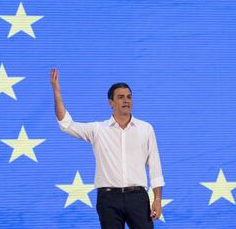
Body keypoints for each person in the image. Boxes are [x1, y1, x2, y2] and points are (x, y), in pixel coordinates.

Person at [50, 68, 165, 229]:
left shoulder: (146, 129)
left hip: (138, 198)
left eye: (129, 97)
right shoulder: (98, 129)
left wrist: (157, 199)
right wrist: (57, 93)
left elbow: (155, 166)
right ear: (110, 102)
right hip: (108, 199)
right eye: (120, 97)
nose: (126, 101)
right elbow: (67, 125)